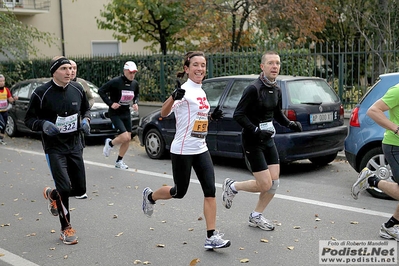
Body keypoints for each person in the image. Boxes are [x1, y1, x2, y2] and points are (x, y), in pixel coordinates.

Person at [141, 51, 230, 250]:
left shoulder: (201, 90)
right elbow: (164, 113)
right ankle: (150, 197)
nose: (200, 69)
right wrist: (173, 98)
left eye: (203, 65)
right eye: (196, 65)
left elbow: (196, 119)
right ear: (187, 69)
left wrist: (211, 117)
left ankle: (211, 236)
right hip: (182, 149)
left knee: (210, 191)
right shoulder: (184, 90)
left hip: (201, 148)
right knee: (178, 192)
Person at [221, 51, 302, 231]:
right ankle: (232, 186)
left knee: (275, 182)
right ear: (262, 66)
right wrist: (256, 131)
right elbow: (238, 115)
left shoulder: (277, 89)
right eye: (271, 63)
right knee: (265, 184)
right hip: (252, 140)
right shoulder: (253, 89)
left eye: (278, 63)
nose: (275, 66)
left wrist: (290, 124)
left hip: (267, 139)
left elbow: (276, 114)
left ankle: (256, 215)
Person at [25, 56, 91, 245]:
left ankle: (53, 195)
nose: (69, 72)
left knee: (79, 189)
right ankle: (66, 228)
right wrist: (43, 124)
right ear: (54, 71)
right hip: (54, 147)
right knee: (64, 187)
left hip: (75, 144)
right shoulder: (41, 93)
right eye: (64, 68)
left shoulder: (78, 89)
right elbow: (29, 119)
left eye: (71, 68)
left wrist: (86, 121)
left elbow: (86, 110)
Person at [351, 82, 399, 240]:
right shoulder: (397, 90)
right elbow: (373, 111)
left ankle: (390, 226)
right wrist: (396, 128)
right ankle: (371, 180)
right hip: (395, 146)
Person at [98, 61, 139, 169]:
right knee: (124, 136)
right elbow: (101, 91)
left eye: (134, 73)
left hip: (126, 112)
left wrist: (135, 103)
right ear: (125, 71)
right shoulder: (116, 82)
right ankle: (110, 143)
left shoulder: (134, 83)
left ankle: (119, 161)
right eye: (130, 72)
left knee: (128, 138)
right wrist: (111, 103)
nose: (132, 75)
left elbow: (136, 94)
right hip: (115, 113)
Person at [70, 59, 93, 199]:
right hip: (64, 129)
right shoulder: (59, 85)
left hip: (79, 125)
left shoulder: (81, 84)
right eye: (69, 68)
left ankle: (78, 186)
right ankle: (68, 184)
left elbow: (90, 99)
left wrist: (85, 114)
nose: (72, 71)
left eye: (74, 68)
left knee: (78, 154)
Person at [0, 74, 18, 145]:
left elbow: (10, 100)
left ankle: (1, 139)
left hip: (5, 111)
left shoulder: (6, 90)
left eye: (3, 81)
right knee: (2, 124)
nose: (2, 83)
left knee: (4, 126)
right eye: (0, 81)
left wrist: (14, 99)